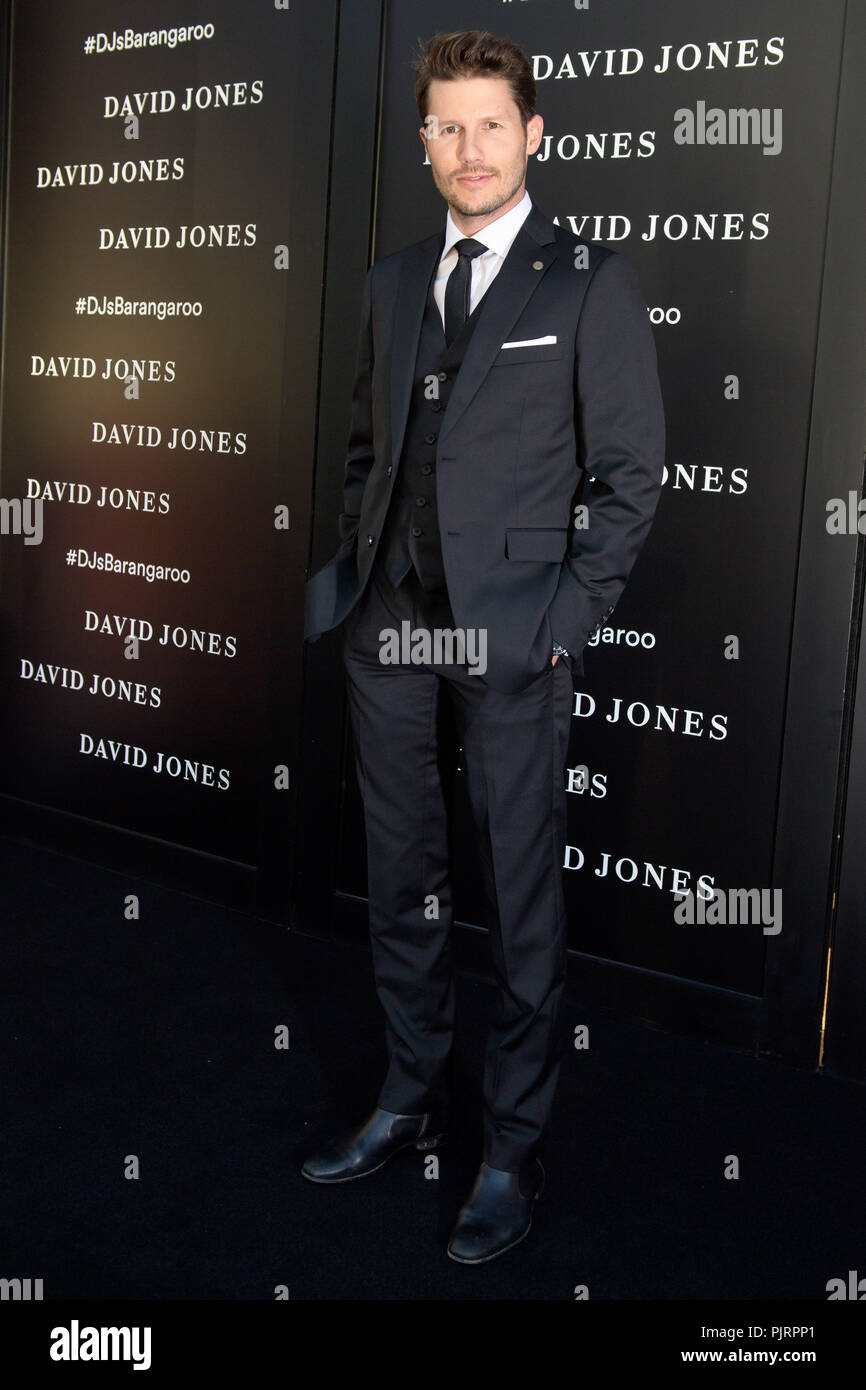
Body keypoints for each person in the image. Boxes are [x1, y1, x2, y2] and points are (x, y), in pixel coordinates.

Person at [302, 29, 665, 1263]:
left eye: (489, 125)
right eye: (445, 128)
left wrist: (563, 625)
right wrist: (360, 575)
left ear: (533, 135)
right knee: (399, 876)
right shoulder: (394, 278)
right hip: (391, 626)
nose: (467, 150)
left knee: (516, 901)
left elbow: (630, 476)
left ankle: (509, 1144)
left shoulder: (584, 280)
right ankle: (409, 1100)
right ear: (424, 143)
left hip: (514, 639)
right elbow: (366, 447)